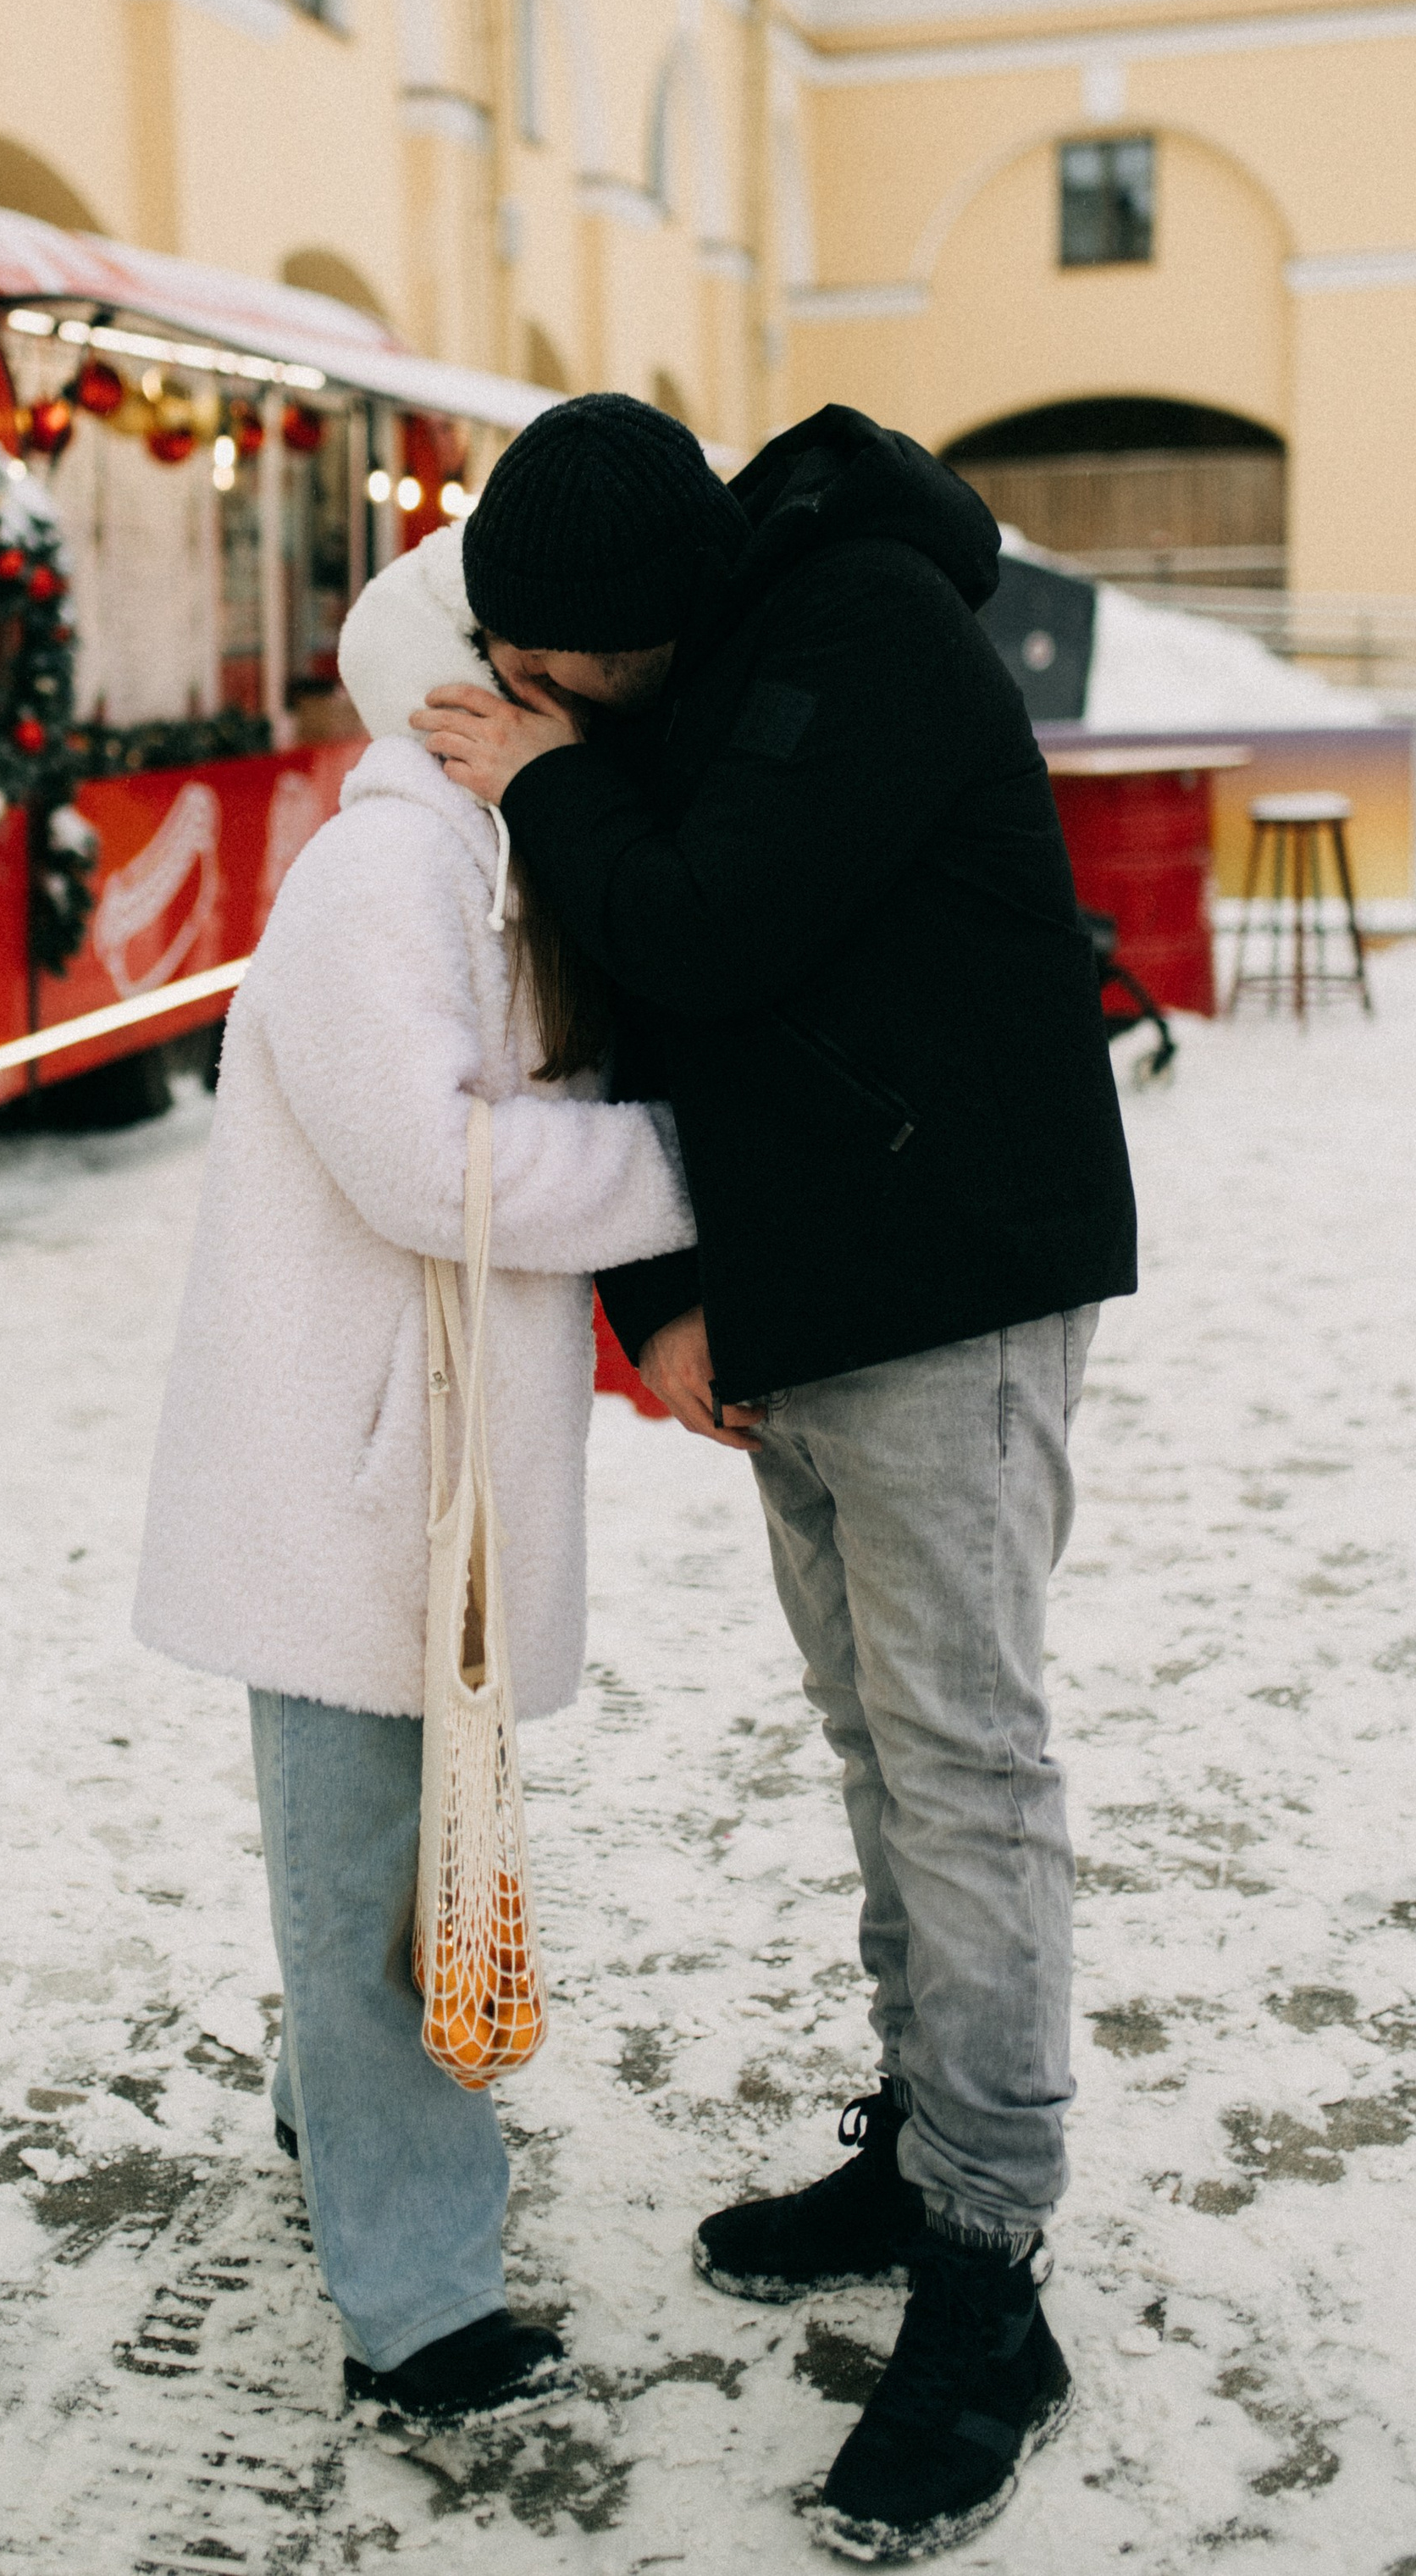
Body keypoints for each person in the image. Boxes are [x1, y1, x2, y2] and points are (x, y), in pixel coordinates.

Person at [415, 394, 1137, 2563]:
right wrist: (665, 1297)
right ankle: (921, 2153)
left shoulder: (865, 636)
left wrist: (545, 782)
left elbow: (708, 925)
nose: (526, 699)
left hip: (954, 1283)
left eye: (551, 669)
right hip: (806, 1294)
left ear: (635, 629)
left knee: (962, 1761)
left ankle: (987, 2274)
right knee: (874, 1751)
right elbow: (657, 1009)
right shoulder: (684, 673)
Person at [135, 524, 691, 2440]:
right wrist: (689, 1167)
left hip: (390, 1481)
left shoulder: (482, 862)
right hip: (342, 1490)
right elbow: (423, 1165)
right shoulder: (388, 867)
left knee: (370, 1867)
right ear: (463, 681)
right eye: (543, 675)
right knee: (382, 1901)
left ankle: (339, 2124)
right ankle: (421, 2304)